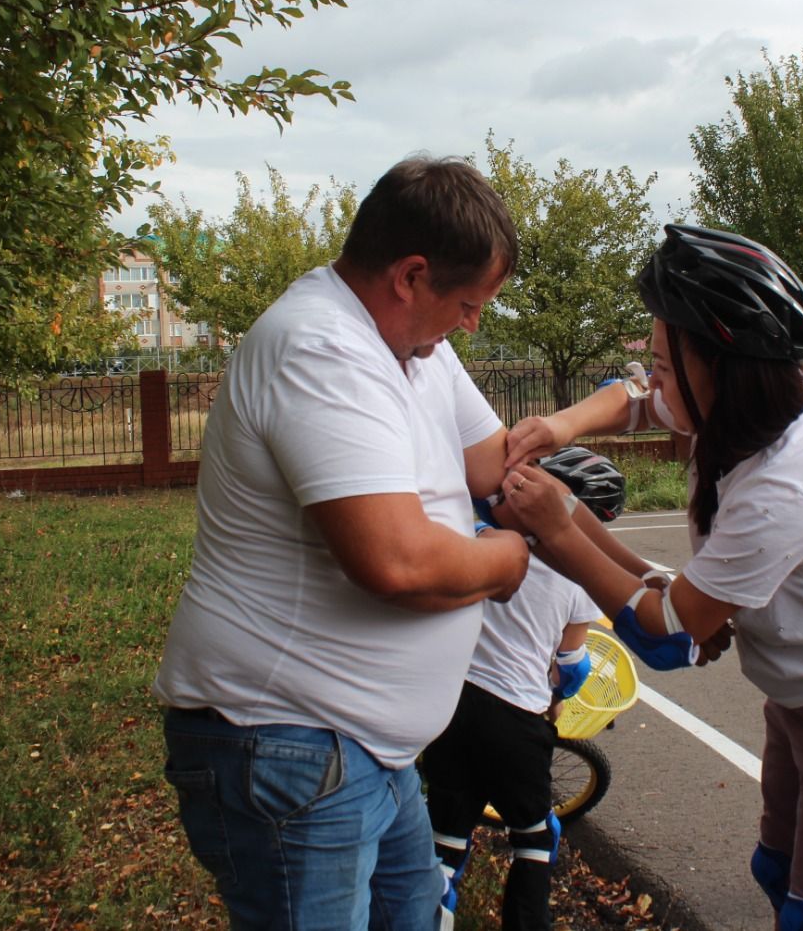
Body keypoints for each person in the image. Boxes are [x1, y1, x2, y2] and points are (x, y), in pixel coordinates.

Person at [501, 224, 803, 930]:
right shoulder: (753, 407)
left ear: (726, 366)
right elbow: (640, 400)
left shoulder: (789, 479)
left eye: (670, 364)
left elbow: (669, 636)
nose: (656, 381)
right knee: (776, 867)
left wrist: (559, 530)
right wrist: (560, 428)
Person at [151, 157, 532, 931]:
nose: (472, 323)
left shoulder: (414, 349)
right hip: (290, 741)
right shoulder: (321, 348)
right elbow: (396, 562)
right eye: (466, 303)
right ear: (410, 275)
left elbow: (495, 463)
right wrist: (506, 560)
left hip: (365, 752)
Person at [422, 447, 636, 931]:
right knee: (535, 839)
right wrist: (557, 699)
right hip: (517, 716)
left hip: (450, 707)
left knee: (446, 837)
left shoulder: (484, 539)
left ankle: (428, 917)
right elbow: (572, 665)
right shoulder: (580, 578)